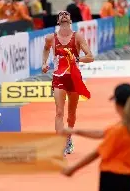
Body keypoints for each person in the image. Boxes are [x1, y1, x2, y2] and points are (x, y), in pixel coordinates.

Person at [61, 83, 130, 191]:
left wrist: (72, 169)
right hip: (127, 178)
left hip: (112, 179)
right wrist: (75, 131)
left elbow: (96, 153)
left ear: (117, 104)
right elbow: (102, 133)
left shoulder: (119, 129)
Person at [42, 11, 94, 155]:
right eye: (61, 15)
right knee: (59, 111)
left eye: (67, 14)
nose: (64, 15)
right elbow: (46, 49)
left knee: (71, 113)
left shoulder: (77, 37)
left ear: (70, 19)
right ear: (58, 21)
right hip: (59, 77)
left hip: (74, 79)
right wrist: (44, 63)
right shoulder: (50, 38)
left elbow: (90, 57)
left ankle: (68, 137)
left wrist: (77, 60)